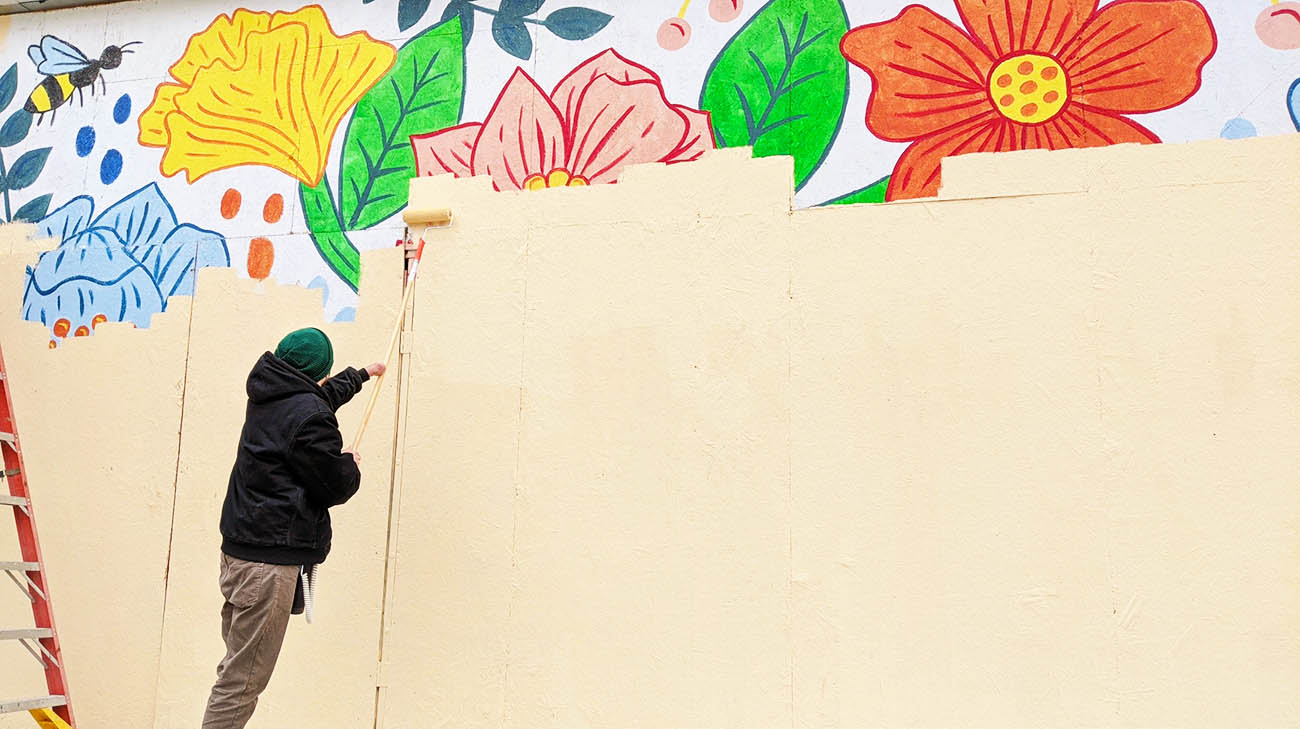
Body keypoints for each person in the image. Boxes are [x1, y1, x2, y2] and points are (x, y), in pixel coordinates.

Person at [202, 327, 385, 729]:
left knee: (236, 668)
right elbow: (332, 484)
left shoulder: (268, 392)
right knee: (242, 681)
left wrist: (360, 376)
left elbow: (312, 404)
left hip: (239, 554)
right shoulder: (308, 417)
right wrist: (349, 466)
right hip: (268, 566)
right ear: (318, 372)